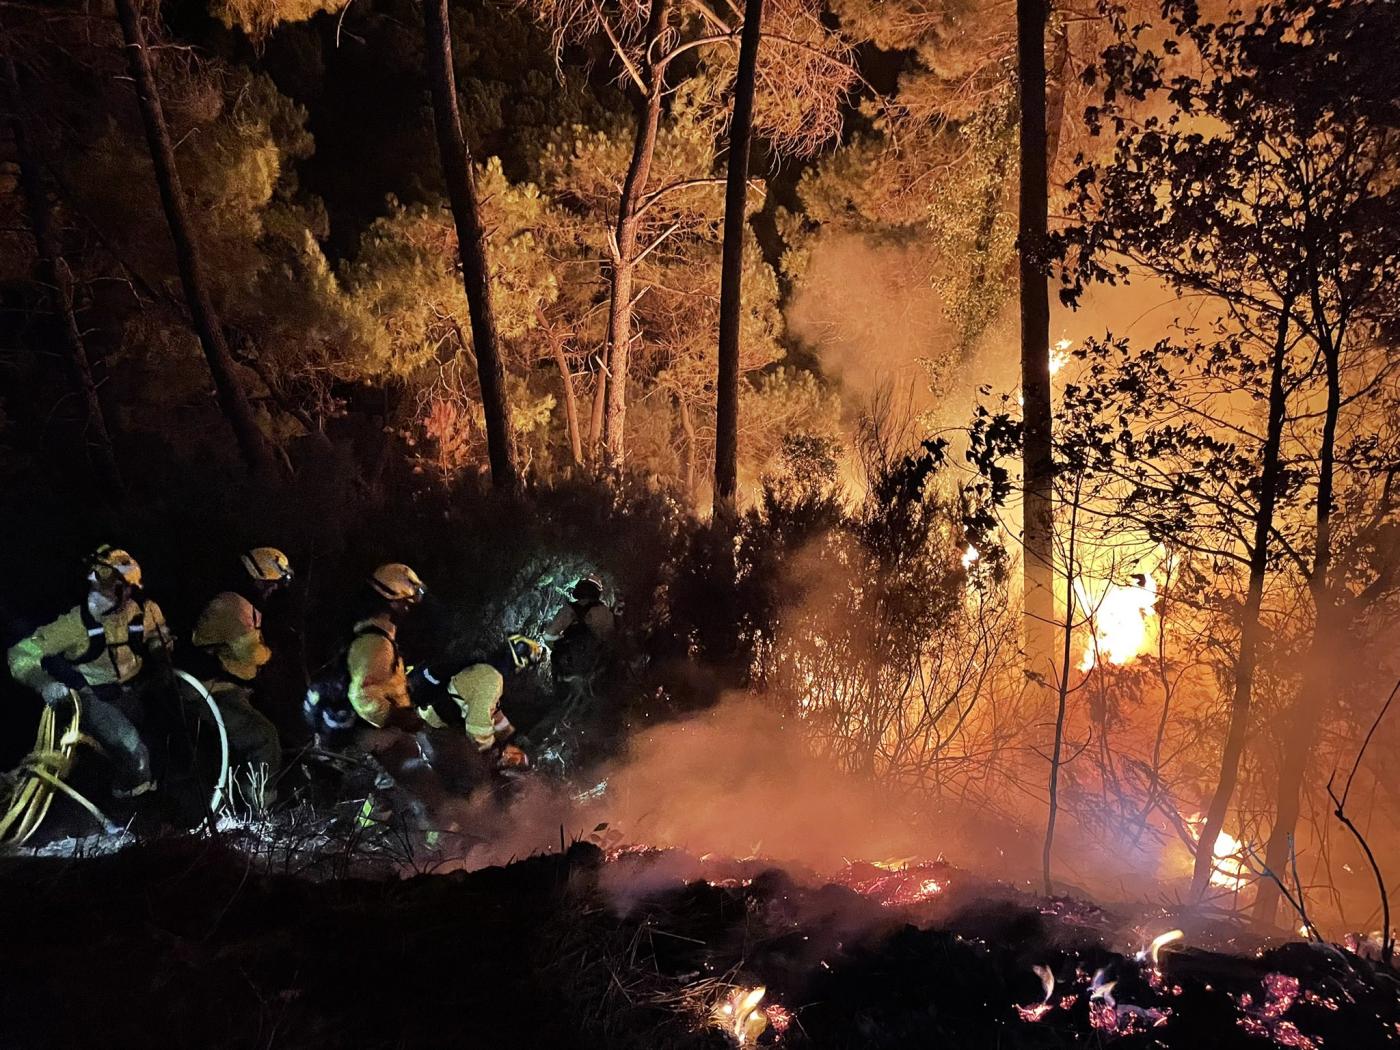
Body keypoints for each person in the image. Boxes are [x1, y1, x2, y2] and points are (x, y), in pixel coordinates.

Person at [7, 545, 172, 797]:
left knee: (165, 739)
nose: (107, 592)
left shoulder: (145, 611)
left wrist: (162, 658)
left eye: (118, 585)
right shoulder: (75, 623)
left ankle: (155, 795)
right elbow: (21, 654)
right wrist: (44, 683)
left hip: (135, 690)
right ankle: (130, 811)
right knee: (133, 749)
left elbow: (159, 635)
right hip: (93, 697)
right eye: (101, 583)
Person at [190, 547, 293, 792]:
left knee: (283, 729)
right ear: (256, 578)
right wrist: (272, 655)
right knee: (264, 738)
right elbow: (252, 653)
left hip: (230, 689)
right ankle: (257, 808)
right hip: (209, 692)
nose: (274, 589)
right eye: (271, 583)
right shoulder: (231, 605)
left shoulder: (242, 604)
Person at [410, 634, 545, 775]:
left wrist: (510, 735)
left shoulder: (486, 670)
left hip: (433, 723)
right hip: (434, 729)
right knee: (470, 777)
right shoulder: (491, 679)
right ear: (522, 663)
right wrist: (495, 752)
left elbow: (492, 711)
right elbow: (477, 725)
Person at [542, 574, 616, 695]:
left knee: (556, 656)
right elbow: (611, 640)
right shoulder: (604, 612)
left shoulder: (568, 610)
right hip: (595, 667)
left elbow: (548, 636)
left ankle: (557, 696)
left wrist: (558, 643)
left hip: (568, 666)